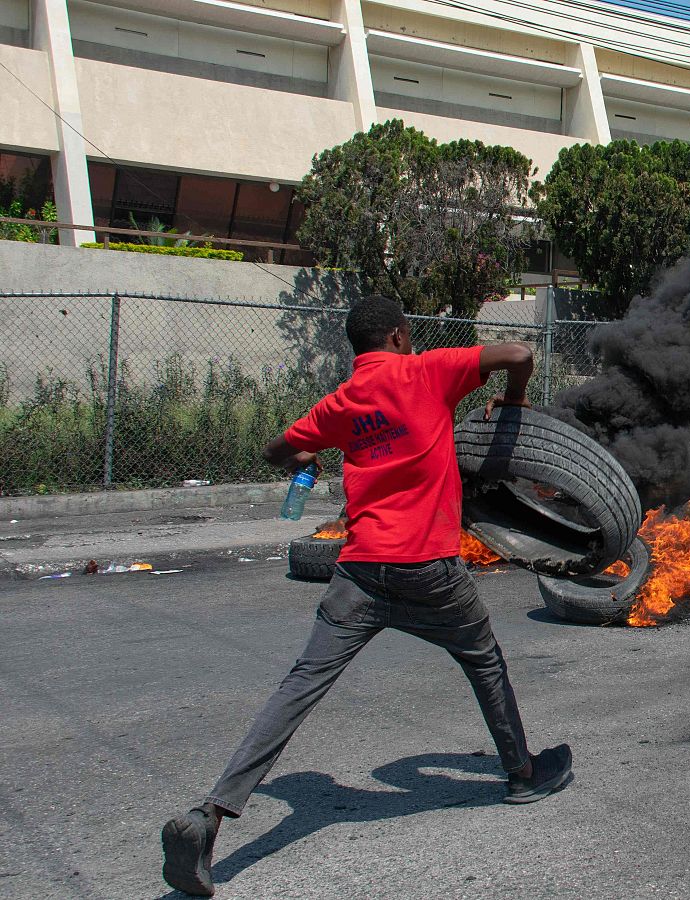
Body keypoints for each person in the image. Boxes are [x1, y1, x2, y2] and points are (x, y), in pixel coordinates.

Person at [160, 296, 571, 897]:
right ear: (402, 335)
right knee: (483, 661)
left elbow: (277, 449)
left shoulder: (340, 404)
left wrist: (311, 453)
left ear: (358, 348)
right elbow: (520, 351)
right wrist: (513, 399)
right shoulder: (428, 370)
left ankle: (211, 814)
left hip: (358, 573)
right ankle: (521, 773)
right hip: (430, 568)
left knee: (300, 685)